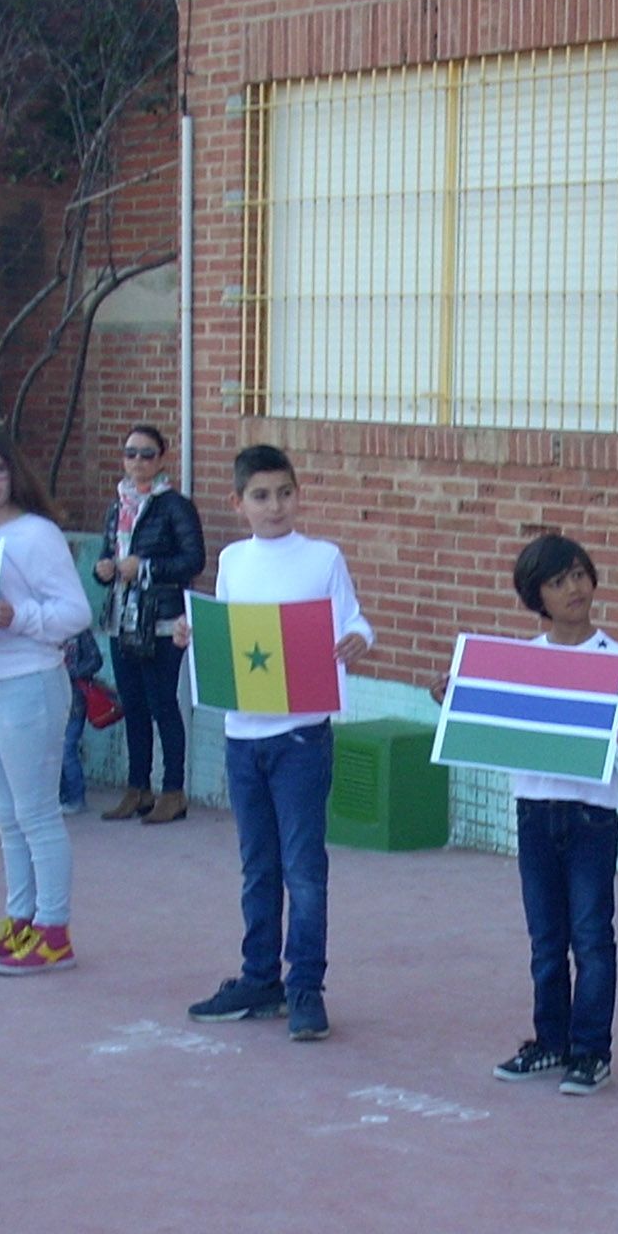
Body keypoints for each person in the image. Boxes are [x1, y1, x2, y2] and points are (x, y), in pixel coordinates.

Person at [183, 444, 372, 1041]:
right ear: (238, 503)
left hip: (300, 736)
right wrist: (198, 635)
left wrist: (355, 640)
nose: (274, 506)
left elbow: (354, 620)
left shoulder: (322, 557)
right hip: (244, 736)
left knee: (303, 867)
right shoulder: (234, 559)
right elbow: (231, 630)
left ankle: (305, 987)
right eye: (261, 496)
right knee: (257, 866)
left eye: (284, 493)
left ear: (298, 494)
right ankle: (259, 977)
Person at [461, 536, 618, 1095]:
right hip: (535, 811)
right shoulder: (522, 660)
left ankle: (591, 1051)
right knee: (546, 937)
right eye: (558, 581)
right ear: (536, 595)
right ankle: (550, 1041)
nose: (574, 589)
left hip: (592, 815)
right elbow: (486, 720)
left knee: (591, 936)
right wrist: (452, 695)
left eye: (579, 576)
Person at [0, 428, 94, 975]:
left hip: (27, 678)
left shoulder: (37, 534)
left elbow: (75, 613)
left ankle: (53, 928)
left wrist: (21, 617)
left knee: (36, 813)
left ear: (14, 473)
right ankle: (21, 920)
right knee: (6, 814)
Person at [92, 424, 205, 824]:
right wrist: (104, 569)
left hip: (161, 619)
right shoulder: (117, 506)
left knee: (163, 706)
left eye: (146, 453)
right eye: (130, 453)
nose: (137, 461)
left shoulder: (174, 505)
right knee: (134, 707)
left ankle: (173, 790)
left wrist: (146, 567)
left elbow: (193, 561)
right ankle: (137, 788)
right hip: (123, 618)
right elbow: (110, 554)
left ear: (161, 458)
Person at [59, 630, 102, 815]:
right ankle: (62, 797)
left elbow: (95, 660)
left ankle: (76, 798)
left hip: (75, 700)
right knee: (55, 751)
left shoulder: (79, 631)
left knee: (67, 748)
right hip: (52, 702)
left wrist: (71, 673)